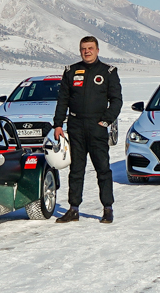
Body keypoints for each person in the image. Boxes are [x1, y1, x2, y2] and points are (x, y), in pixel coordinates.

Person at [50, 35, 122, 224]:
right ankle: (74, 209)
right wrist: (58, 124)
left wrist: (106, 121)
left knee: (103, 169)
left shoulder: (108, 72)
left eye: (90, 48)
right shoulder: (71, 71)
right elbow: (63, 100)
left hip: (97, 127)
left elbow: (116, 100)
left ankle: (107, 208)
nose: (87, 51)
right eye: (83, 48)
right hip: (75, 126)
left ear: (97, 50)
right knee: (76, 170)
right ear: (80, 50)